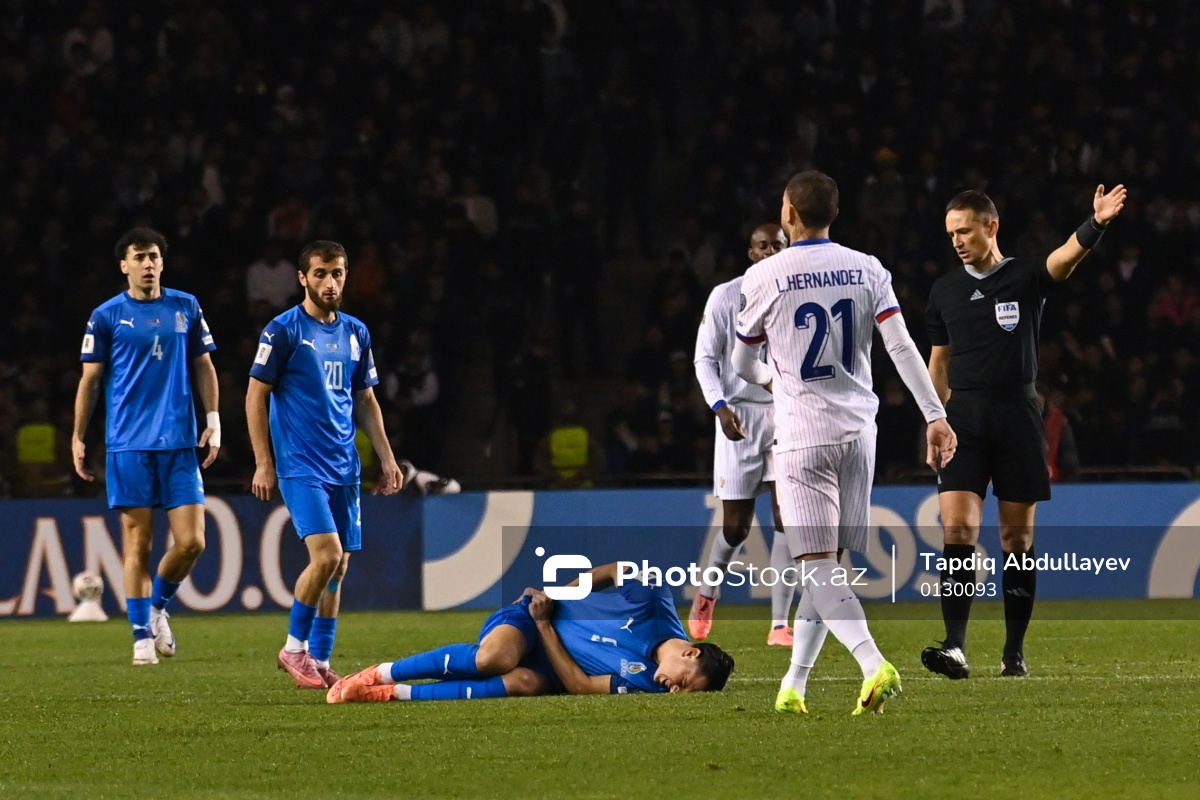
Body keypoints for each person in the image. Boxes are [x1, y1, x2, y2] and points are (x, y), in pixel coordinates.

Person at [733, 171, 957, 715]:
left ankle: (872, 663)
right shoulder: (867, 268)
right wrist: (935, 415)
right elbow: (901, 347)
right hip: (859, 436)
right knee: (829, 566)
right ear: (835, 213)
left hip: (803, 439)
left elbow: (741, 362)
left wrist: (773, 381)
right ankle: (794, 686)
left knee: (816, 568)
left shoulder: (765, 275)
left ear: (788, 213)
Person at [922, 184, 1126, 679]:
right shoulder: (944, 291)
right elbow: (939, 362)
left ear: (991, 227)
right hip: (964, 420)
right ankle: (955, 647)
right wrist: (934, 418)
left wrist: (1096, 224)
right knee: (958, 529)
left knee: (1016, 537)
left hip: (1017, 417)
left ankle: (1013, 654)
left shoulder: (1025, 276)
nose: (957, 241)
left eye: (964, 231)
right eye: (950, 234)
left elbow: (1065, 258)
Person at [246, 240, 404, 690]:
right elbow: (255, 396)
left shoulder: (356, 332)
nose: (330, 282)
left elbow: (365, 399)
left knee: (339, 568)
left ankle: (319, 658)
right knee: (327, 555)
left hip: (344, 465)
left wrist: (387, 458)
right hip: (301, 465)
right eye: (320, 273)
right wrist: (263, 462)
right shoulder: (283, 331)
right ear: (302, 278)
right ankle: (293, 648)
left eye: (337, 273)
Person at [72, 227, 220, 666]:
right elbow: (90, 380)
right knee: (138, 543)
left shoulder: (186, 307)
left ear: (162, 262)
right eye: (139, 257)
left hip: (179, 441)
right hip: (129, 443)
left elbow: (204, 365)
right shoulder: (106, 316)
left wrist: (213, 420)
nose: (148, 264)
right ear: (124, 266)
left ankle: (157, 608)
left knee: (193, 542)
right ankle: (140, 637)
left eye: (154, 256)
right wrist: (79, 436)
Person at [325, 562, 735, 703]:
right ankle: (380, 672)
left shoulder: (650, 682)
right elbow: (614, 570)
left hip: (549, 649)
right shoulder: (653, 599)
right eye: (684, 684)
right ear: (691, 653)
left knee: (524, 682)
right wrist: (552, 597)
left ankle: (391, 694)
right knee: (494, 659)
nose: (674, 692)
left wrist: (546, 628)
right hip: (531, 618)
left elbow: (579, 686)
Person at [691, 222, 797, 646]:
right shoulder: (726, 296)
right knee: (736, 528)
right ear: (751, 253)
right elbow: (704, 359)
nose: (770, 252)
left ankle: (779, 623)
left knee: (787, 518)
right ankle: (707, 594)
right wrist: (719, 406)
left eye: (778, 245)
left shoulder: (798, 294)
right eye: (762, 246)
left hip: (785, 415)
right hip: (738, 414)